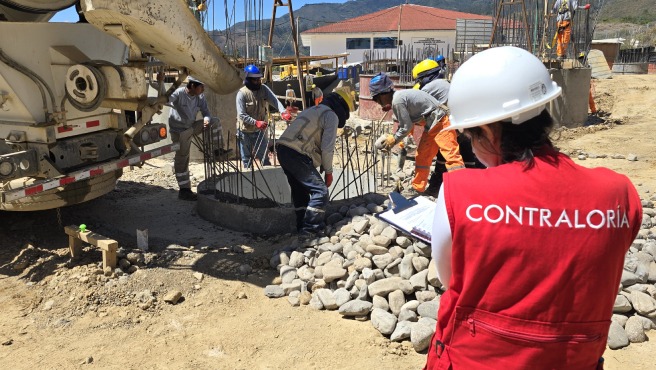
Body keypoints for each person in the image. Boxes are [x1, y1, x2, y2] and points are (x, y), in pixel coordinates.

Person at [424, 46, 642, 369]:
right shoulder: (617, 195)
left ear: (486, 132)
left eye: (470, 137)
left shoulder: (460, 192)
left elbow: (450, 277)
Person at [276, 87, 356, 238]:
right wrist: (329, 171)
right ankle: (311, 230)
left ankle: (301, 227)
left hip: (283, 150)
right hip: (297, 153)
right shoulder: (330, 115)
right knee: (320, 191)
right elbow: (327, 148)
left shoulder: (312, 110)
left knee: (300, 192)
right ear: (341, 107)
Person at [369, 72, 464, 195]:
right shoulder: (399, 98)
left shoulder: (398, 100)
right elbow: (408, 124)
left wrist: (394, 139)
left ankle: (461, 190)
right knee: (422, 156)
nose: (376, 101)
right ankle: (417, 188)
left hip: (441, 123)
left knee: (451, 156)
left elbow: (406, 127)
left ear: (383, 94)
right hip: (432, 125)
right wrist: (400, 139)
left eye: (376, 98)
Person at [412, 59, 485, 195]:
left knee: (449, 157)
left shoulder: (429, 88)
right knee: (468, 157)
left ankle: (442, 188)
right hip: (467, 124)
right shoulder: (446, 84)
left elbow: (416, 112)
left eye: (419, 80)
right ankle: (473, 190)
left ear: (424, 77)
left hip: (453, 125)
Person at [168, 76, 219, 201]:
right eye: (201, 86)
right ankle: (184, 190)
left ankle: (218, 150)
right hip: (180, 132)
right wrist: (160, 84)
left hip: (191, 127)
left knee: (215, 122)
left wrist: (206, 120)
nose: (203, 89)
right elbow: (167, 99)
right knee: (183, 158)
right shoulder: (179, 93)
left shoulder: (199, 97)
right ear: (192, 86)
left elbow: (206, 113)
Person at [236, 64, 292, 168]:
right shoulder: (242, 94)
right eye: (255, 80)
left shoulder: (263, 89)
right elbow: (242, 114)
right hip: (245, 132)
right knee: (246, 160)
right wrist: (256, 122)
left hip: (259, 132)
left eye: (259, 79)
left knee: (264, 158)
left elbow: (274, 100)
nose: (258, 82)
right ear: (248, 79)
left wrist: (283, 111)